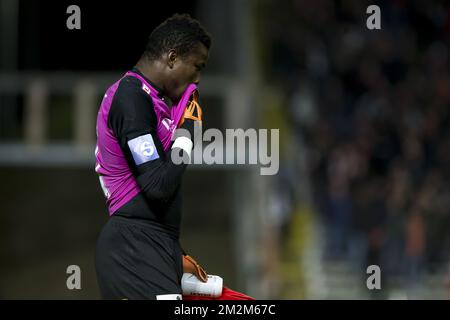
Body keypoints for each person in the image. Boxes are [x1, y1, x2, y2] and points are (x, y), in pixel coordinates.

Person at [94, 13, 211, 300]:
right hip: (133, 247)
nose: (197, 79)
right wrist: (187, 131)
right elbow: (158, 185)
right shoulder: (131, 99)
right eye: (197, 67)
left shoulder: (156, 102)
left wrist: (174, 254)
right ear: (172, 58)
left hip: (153, 245)